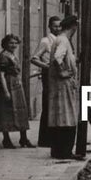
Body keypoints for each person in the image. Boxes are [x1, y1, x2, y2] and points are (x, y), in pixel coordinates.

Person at [47, 15, 81, 160]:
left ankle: (57, 150)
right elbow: (57, 57)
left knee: (59, 117)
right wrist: (63, 72)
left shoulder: (59, 39)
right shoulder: (64, 40)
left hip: (58, 86)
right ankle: (65, 151)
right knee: (68, 117)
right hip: (64, 85)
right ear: (73, 27)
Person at [0, 34, 35, 149]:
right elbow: (1, 75)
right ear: (5, 44)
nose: (13, 45)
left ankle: (24, 138)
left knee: (21, 110)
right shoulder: (3, 56)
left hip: (16, 85)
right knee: (6, 112)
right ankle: (6, 139)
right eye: (11, 43)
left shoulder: (12, 55)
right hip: (8, 84)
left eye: (15, 43)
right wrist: (6, 91)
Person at [30, 16, 61, 147]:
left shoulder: (61, 40)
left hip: (57, 76)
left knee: (56, 106)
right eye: (55, 26)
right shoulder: (45, 41)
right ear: (49, 27)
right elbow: (34, 58)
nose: (57, 29)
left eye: (59, 26)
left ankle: (53, 138)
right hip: (49, 76)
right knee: (48, 105)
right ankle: (44, 139)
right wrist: (48, 67)